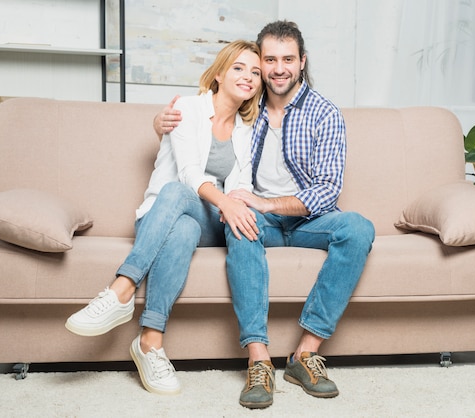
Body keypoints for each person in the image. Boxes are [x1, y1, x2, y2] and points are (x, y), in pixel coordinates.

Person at [154, 20, 375, 409]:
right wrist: (162, 125)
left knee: (358, 228)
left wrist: (269, 203)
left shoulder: (324, 114)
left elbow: (327, 189)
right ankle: (259, 361)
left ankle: (305, 355)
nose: (278, 68)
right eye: (269, 59)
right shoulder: (245, 111)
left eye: (288, 59)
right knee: (239, 226)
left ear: (302, 62)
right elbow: (201, 119)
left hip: (309, 220)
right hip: (260, 221)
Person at [65, 40, 263, 395]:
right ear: (218, 74)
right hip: (162, 216)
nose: (248, 76)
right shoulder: (186, 108)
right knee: (179, 212)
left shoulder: (248, 132)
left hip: (212, 221)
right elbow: (187, 172)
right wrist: (227, 202)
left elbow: (241, 185)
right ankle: (149, 343)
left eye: (255, 72)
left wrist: (231, 204)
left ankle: (120, 291)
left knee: (186, 207)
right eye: (239, 68)